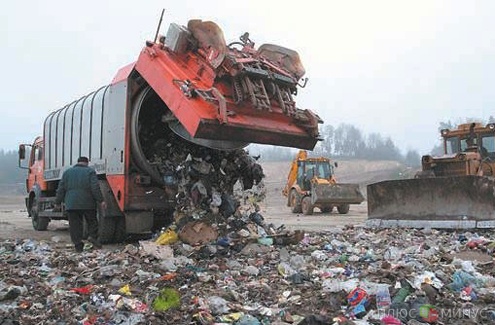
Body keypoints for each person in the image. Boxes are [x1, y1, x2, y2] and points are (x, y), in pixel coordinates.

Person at [55, 156, 106, 252]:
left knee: (74, 225)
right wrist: (101, 200)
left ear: (77, 162)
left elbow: (61, 189)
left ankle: (78, 245)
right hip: (88, 203)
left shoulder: (67, 173)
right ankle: (92, 237)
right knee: (92, 221)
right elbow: (95, 187)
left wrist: (57, 202)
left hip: (71, 204)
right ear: (87, 163)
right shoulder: (90, 172)